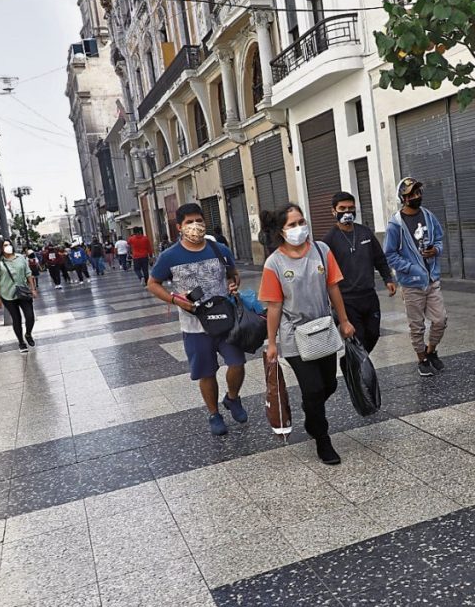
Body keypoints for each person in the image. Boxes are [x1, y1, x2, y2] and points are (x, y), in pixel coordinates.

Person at [259, 204, 356, 465]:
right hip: (293, 335)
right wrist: (271, 343)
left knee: (329, 385)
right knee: (313, 388)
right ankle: (323, 440)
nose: (299, 228)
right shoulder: (274, 263)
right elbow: (274, 305)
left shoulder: (322, 252)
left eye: (301, 221)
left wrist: (344, 321)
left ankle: (311, 411)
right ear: (281, 231)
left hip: (323, 329)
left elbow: (333, 288)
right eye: (292, 225)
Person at [146, 204, 246, 436]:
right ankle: (214, 414)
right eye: (189, 222)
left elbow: (234, 274)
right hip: (194, 326)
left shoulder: (219, 249)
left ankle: (232, 398)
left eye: (199, 220)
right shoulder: (169, 256)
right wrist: (174, 299)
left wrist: (234, 284)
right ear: (179, 227)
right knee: (206, 372)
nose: (195, 226)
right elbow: (152, 284)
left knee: (237, 363)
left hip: (225, 319)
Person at [384, 177, 448, 377]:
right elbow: (390, 254)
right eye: (411, 194)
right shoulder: (396, 224)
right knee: (417, 325)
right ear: (403, 198)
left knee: (440, 319)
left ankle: (431, 350)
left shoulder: (428, 215)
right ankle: (422, 359)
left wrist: (435, 250)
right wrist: (411, 268)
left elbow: (439, 237)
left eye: (418, 192)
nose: (416, 196)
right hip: (411, 283)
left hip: (432, 279)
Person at [322, 192, 396, 352]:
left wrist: (388, 278)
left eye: (351, 208)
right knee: (359, 337)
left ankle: (356, 362)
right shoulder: (328, 240)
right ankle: (359, 370)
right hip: (347, 299)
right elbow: (325, 274)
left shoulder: (365, 232)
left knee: (373, 334)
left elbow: (379, 258)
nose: (347, 212)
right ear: (333, 211)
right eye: (342, 208)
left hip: (369, 295)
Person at [0, 237, 38, 353]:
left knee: (30, 316)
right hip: (8, 295)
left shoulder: (21, 258)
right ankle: (21, 342)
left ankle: (28, 334)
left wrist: (33, 289)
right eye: (4, 245)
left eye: (9, 244)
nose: (7, 247)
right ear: (0, 248)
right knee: (16, 319)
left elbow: (28, 274)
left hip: (23, 292)